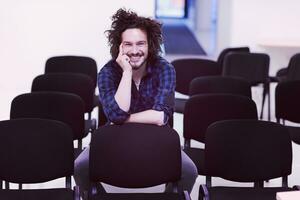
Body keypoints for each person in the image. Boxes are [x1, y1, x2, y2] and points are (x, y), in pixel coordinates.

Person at [74, 8, 198, 196]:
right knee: (80, 167)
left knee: (189, 171)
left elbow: (160, 117)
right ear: (119, 47)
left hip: (156, 138)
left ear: (150, 45)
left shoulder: (165, 69)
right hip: (116, 138)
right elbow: (116, 114)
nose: (134, 51)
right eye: (128, 44)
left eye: (140, 43)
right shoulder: (107, 72)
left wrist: (121, 119)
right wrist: (127, 73)